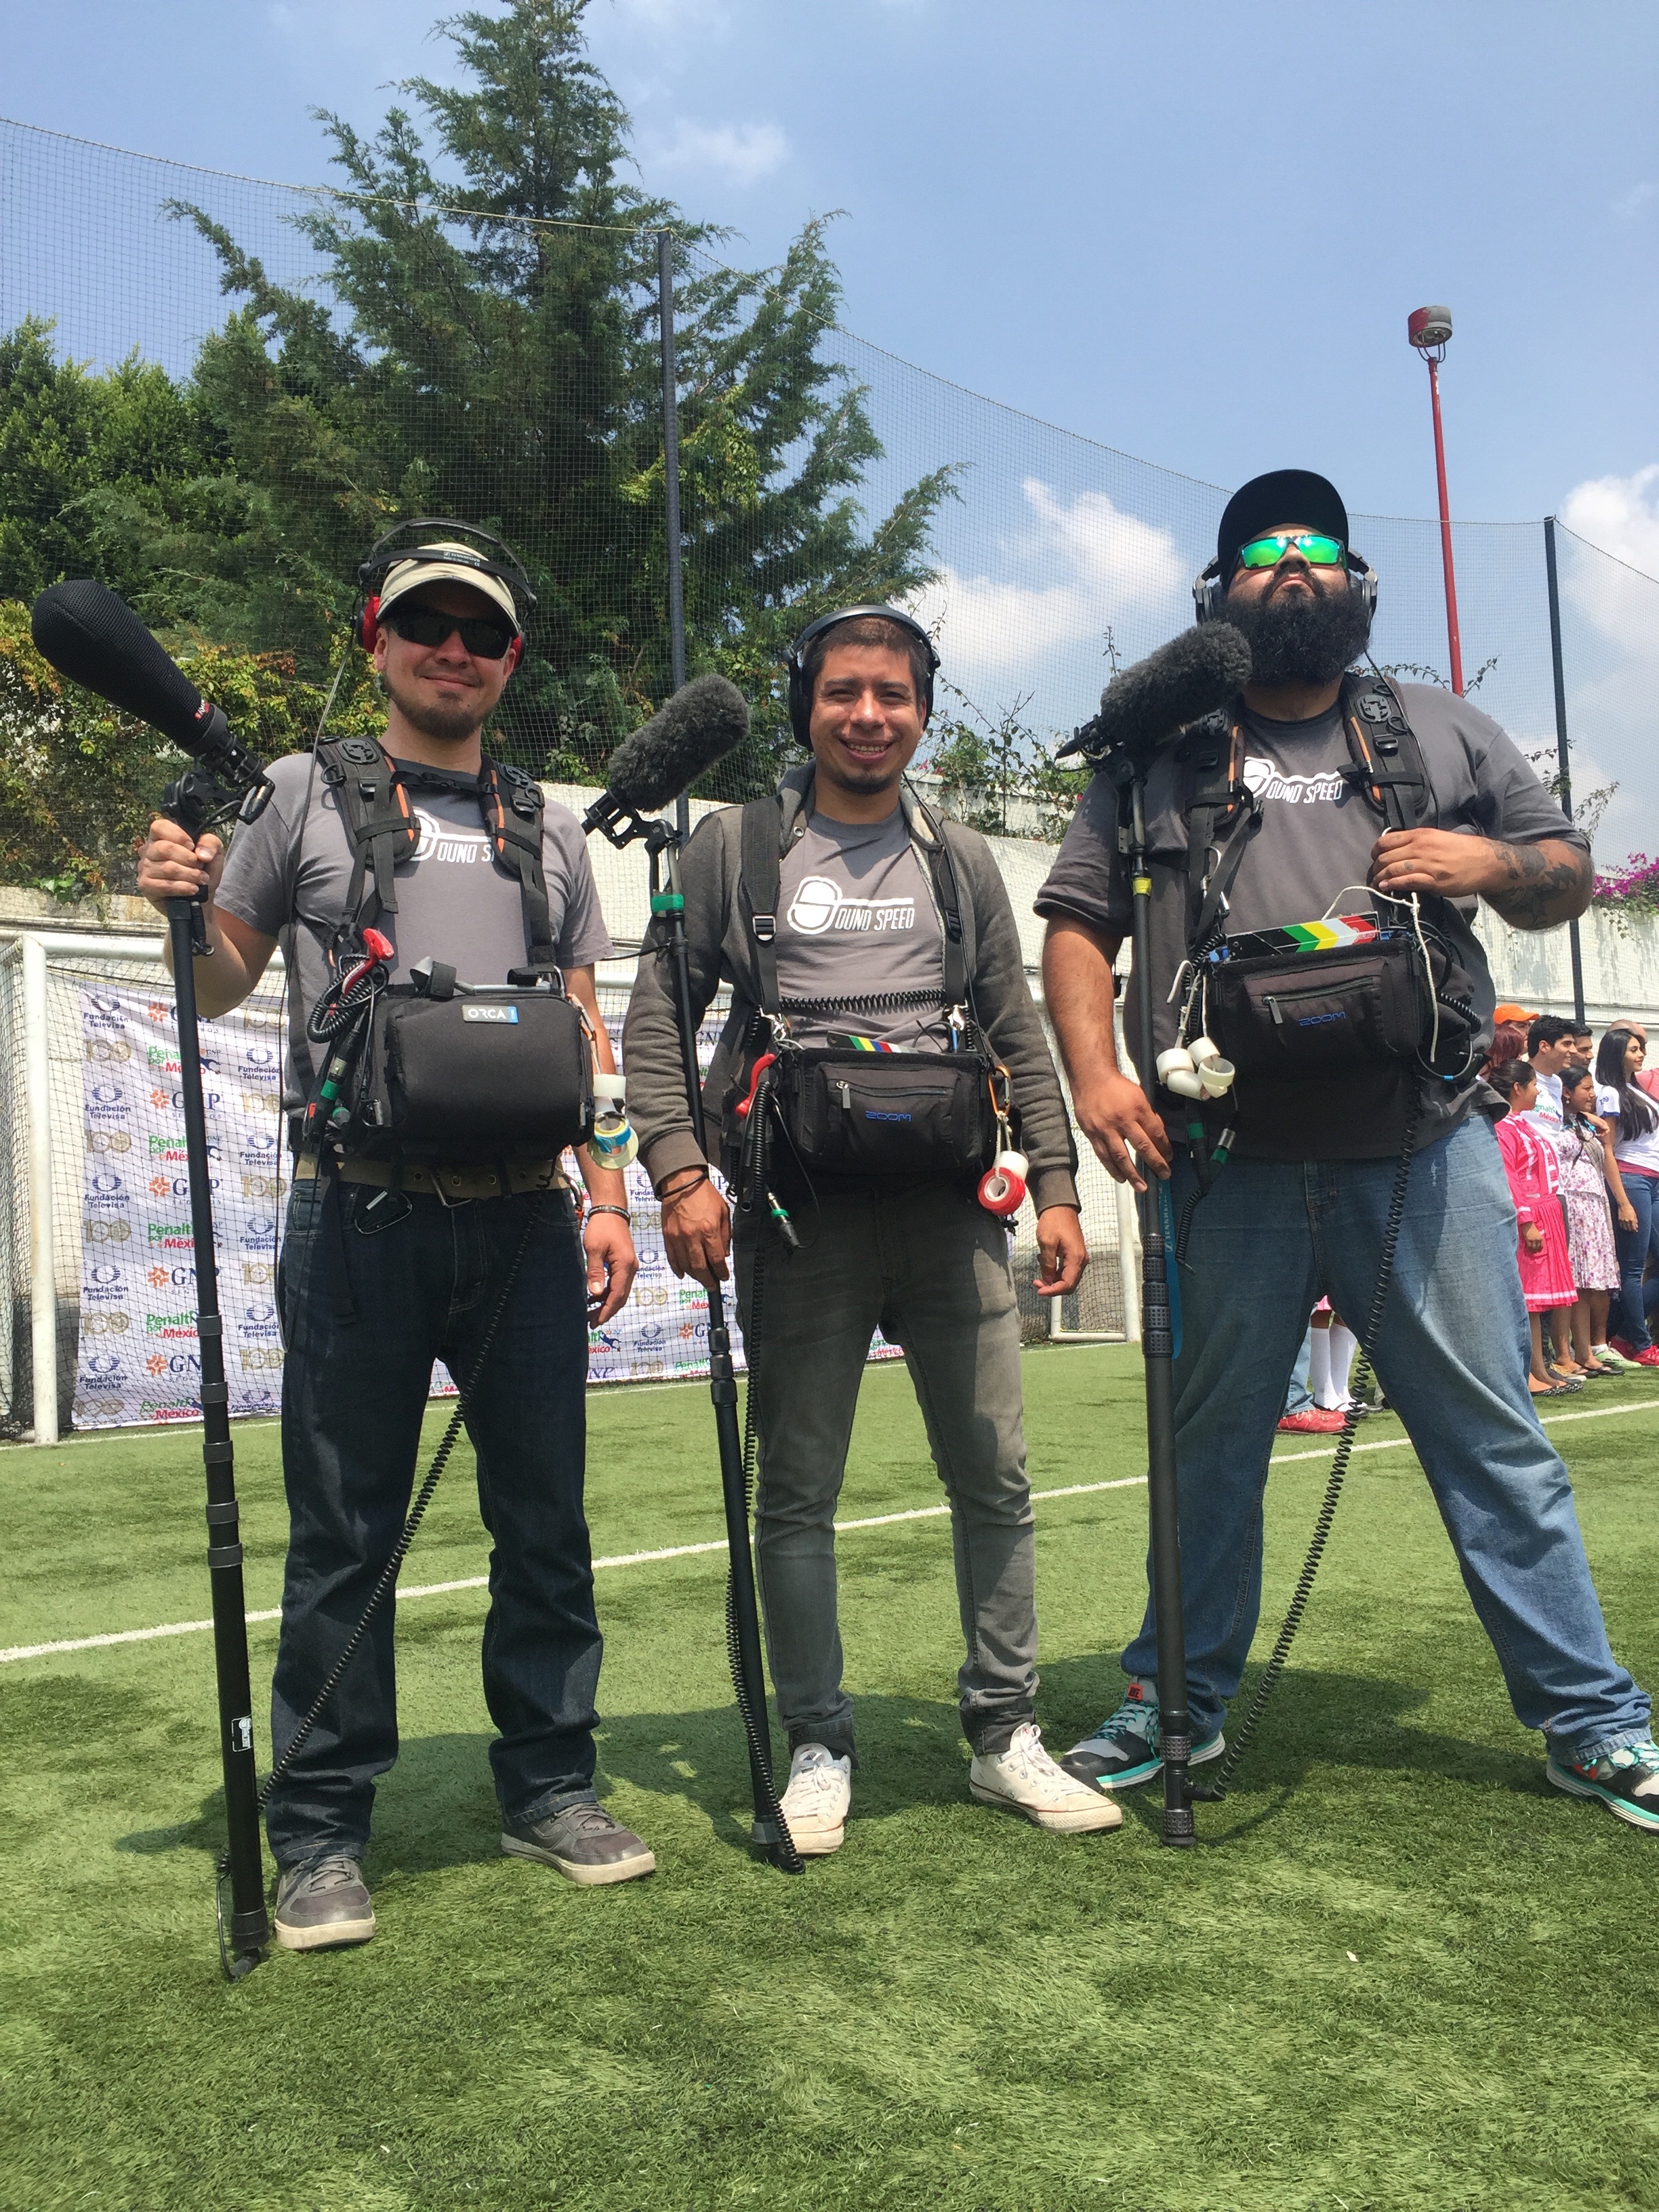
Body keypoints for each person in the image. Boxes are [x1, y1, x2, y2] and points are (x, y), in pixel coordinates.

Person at [1037, 466, 1658, 1830]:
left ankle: (1592, 1722)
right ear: (1217, 594)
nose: (1292, 566)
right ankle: (1174, 1700)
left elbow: (1562, 871)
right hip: (1227, 1161)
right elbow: (1077, 923)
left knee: (1493, 1445)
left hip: (1424, 1152)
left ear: (1357, 584)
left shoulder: (1436, 728)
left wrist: (1488, 865)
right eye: (1262, 552)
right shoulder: (1156, 751)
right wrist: (1091, 1073)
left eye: (1315, 547)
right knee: (1209, 1453)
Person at [137, 525, 653, 1950]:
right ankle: (317, 1828)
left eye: (480, 632)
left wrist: (611, 1192)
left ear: (511, 660)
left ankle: (549, 1784)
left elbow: (585, 1027)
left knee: (545, 1520)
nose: (452, 650)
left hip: (528, 1219)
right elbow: (217, 982)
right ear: (377, 638)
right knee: (343, 1532)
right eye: (426, 623)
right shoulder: (296, 792)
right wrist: (177, 903)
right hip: (355, 1211)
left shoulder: (550, 824)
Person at [622, 605, 1119, 1852]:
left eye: (893, 695)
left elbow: (1013, 1026)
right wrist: (679, 1173)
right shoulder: (734, 848)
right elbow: (656, 1023)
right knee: (796, 1491)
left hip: (953, 1215)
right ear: (807, 703)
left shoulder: (959, 858)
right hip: (799, 1220)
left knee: (994, 1477)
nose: (867, 715)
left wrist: (1056, 1181)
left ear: (923, 711)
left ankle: (1004, 1732)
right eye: (843, 691)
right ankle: (818, 1741)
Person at [1488, 1061, 1580, 1395]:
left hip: (1545, 1210)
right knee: (1526, 1299)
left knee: (1536, 1303)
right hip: (1529, 1214)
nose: (1538, 1091)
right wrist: (1527, 1221)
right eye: (1533, 1086)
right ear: (1517, 1089)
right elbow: (1510, 1177)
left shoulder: (1521, 1124)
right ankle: (1525, 1373)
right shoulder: (1503, 1127)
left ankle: (1539, 1369)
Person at [1552, 1063, 1632, 1376]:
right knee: (1572, 1279)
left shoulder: (1582, 1122)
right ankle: (1565, 1352)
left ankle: (1585, 1351)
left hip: (1593, 1203)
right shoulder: (1553, 1121)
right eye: (1586, 1089)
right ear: (1566, 1092)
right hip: (1570, 1201)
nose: (1593, 1095)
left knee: (1587, 1283)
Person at [1596, 1027, 1659, 1366]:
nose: (1641, 1054)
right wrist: (1622, 1202)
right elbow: (1607, 1148)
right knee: (1632, 1268)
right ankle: (1640, 1344)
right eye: (1634, 1049)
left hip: (1653, 1181)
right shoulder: (1610, 1093)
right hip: (1632, 1180)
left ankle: (1621, 1335)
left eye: (1642, 1049)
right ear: (1617, 1053)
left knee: (1639, 1268)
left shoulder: (1636, 1089)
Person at [1525, 1015, 1580, 1132]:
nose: (1574, 1051)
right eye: (1567, 1044)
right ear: (1544, 1046)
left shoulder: (1557, 1082)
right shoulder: (1517, 1077)